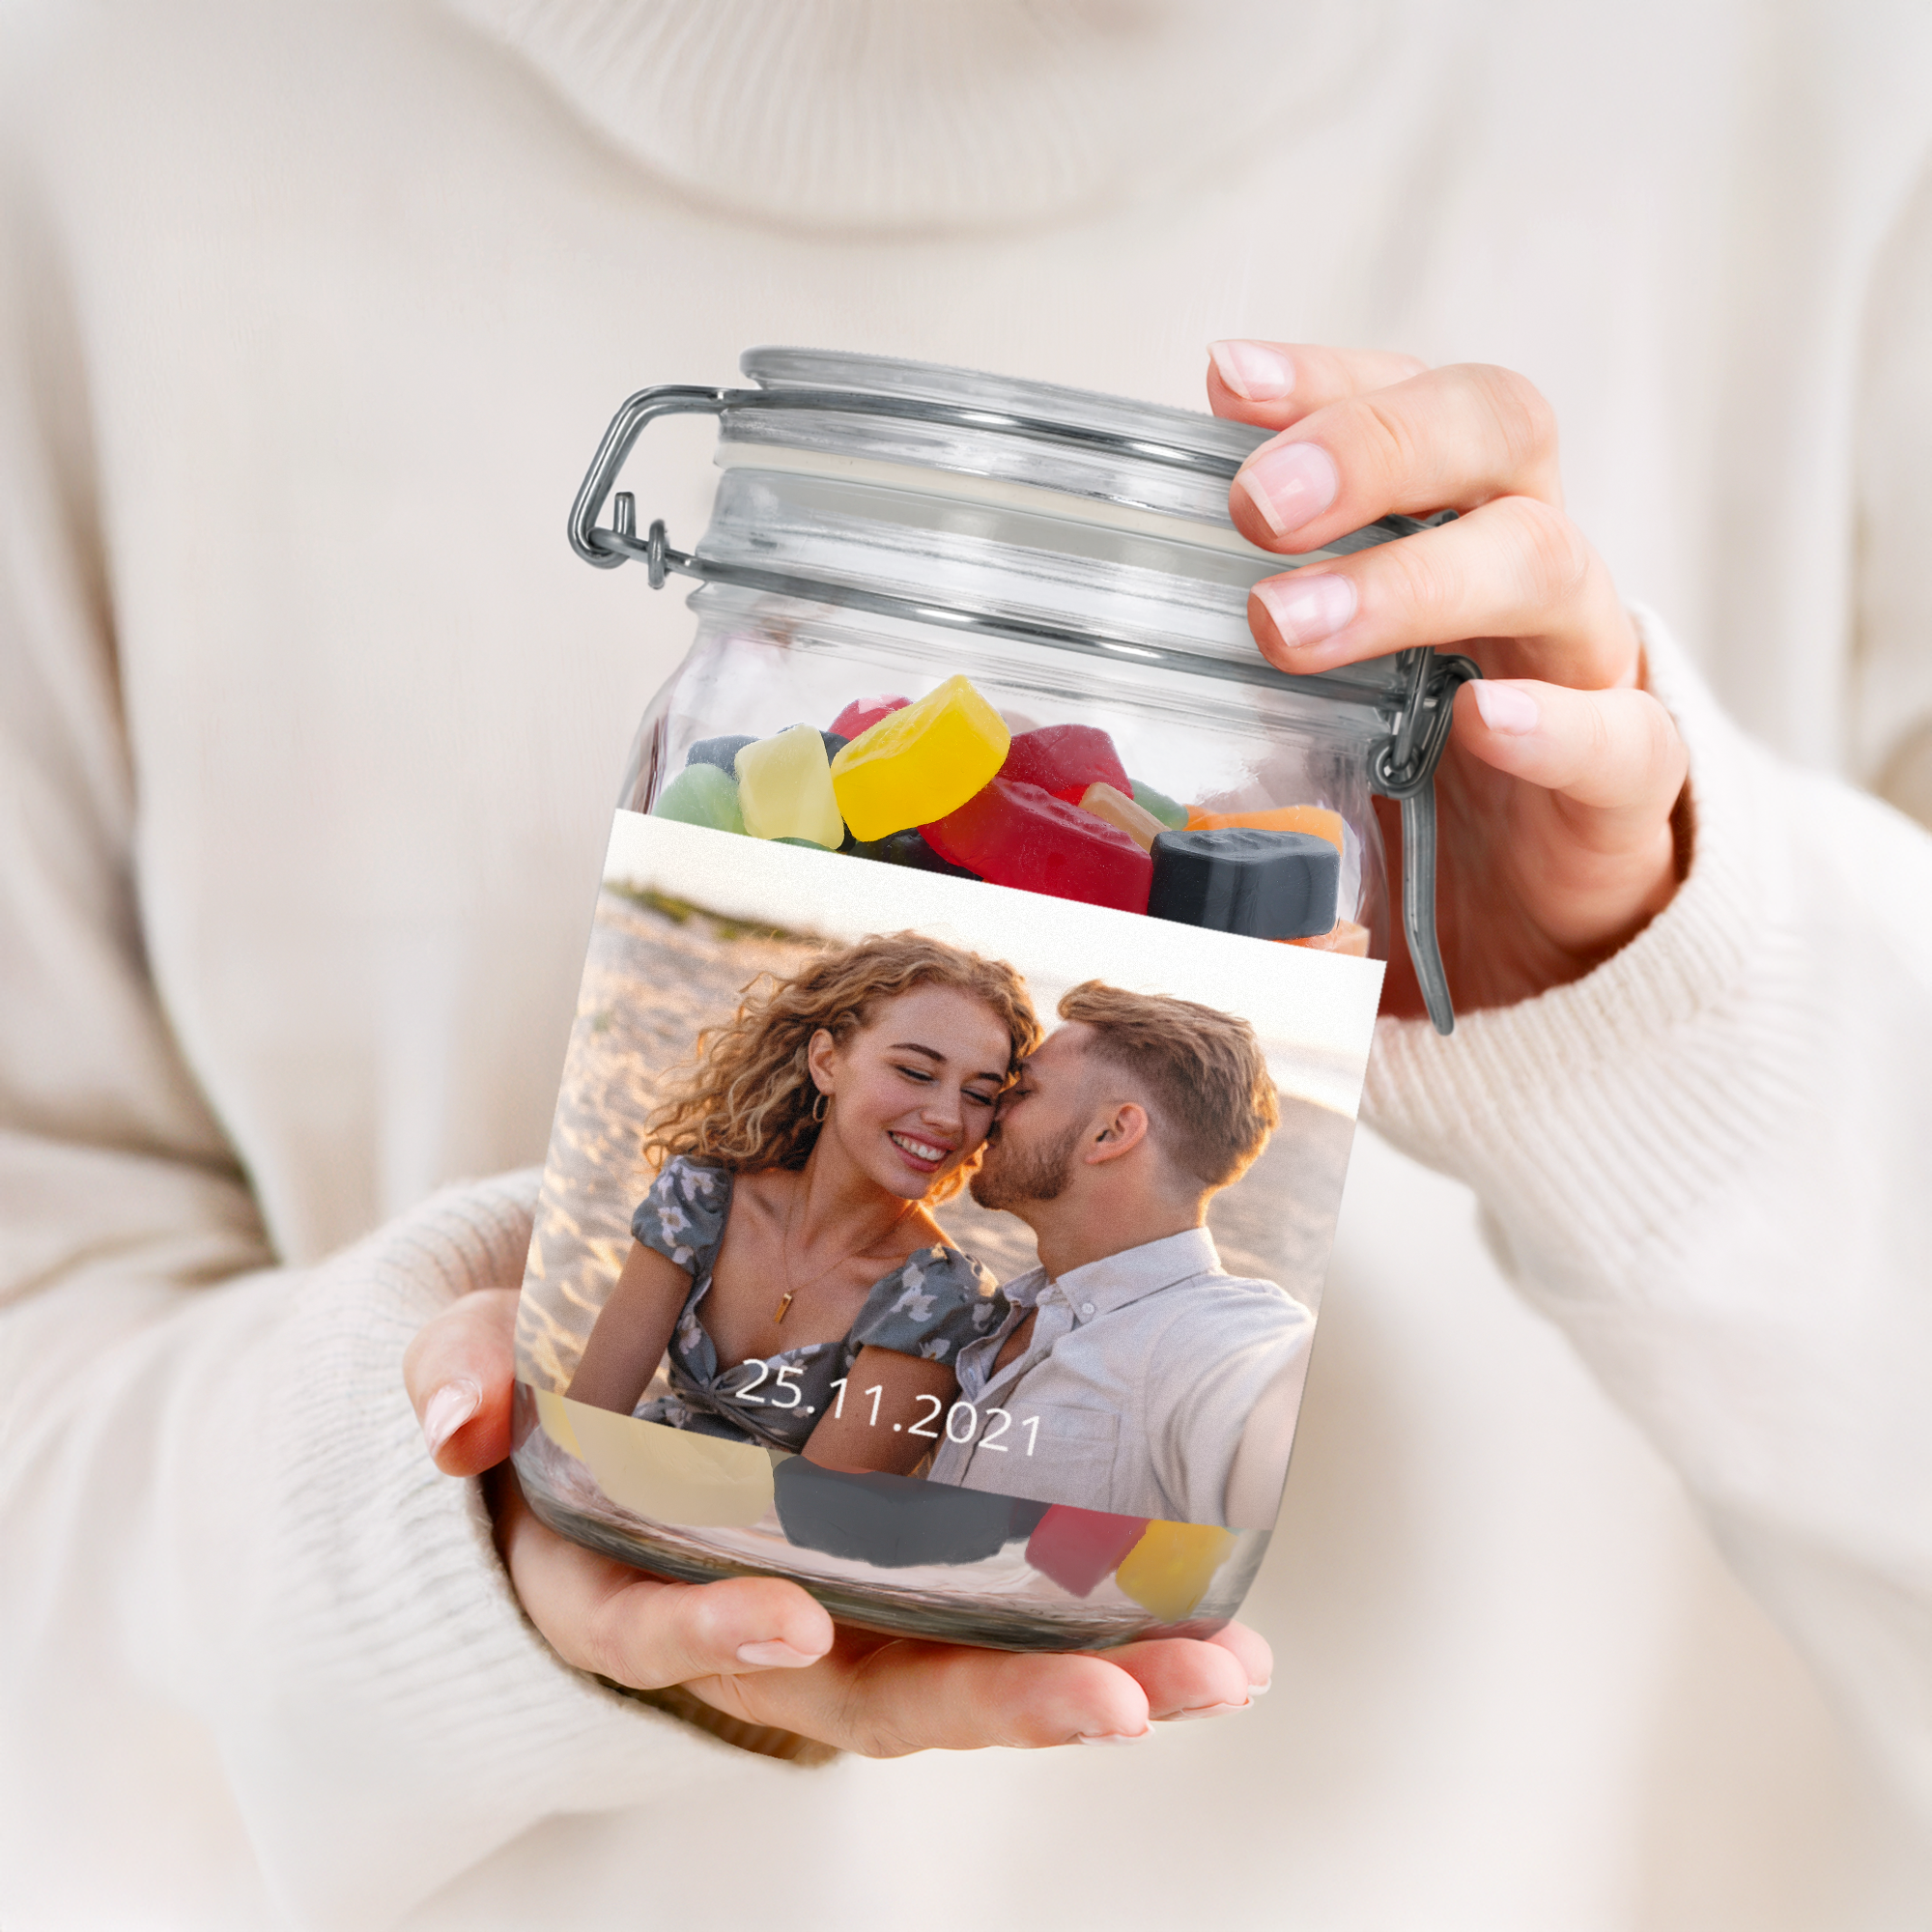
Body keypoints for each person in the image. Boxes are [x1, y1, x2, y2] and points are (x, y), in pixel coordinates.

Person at [5, 5, 1931, 1926]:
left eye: (993, 1077)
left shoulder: (1827, 94)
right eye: (940, 1067)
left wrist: (1658, 995)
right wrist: (418, 1536)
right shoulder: (94, 121)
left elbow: (858, 1487)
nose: (963, 1107)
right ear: (825, 1053)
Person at [560, 933, 1031, 1471]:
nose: (949, 1117)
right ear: (827, 1061)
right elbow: (583, 1425)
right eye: (916, 1073)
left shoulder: (942, 1299)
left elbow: (811, 1517)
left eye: (979, 1095)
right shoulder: (702, 1198)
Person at [928, 982, 1311, 1527]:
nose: (992, 1109)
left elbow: (1268, 1404)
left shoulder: (1211, 1341)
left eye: (1025, 1091)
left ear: (1111, 1133)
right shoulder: (999, 1309)